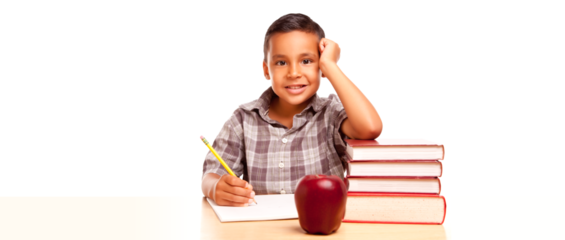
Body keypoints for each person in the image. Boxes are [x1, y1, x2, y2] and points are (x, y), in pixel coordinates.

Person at [201, 11, 383, 207]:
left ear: (320, 67)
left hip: (324, 230)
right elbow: (210, 176)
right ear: (266, 70)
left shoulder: (331, 112)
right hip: (263, 230)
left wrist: (331, 66)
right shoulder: (243, 118)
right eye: (281, 62)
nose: (294, 73)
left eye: (306, 61)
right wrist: (215, 187)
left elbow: (370, 128)